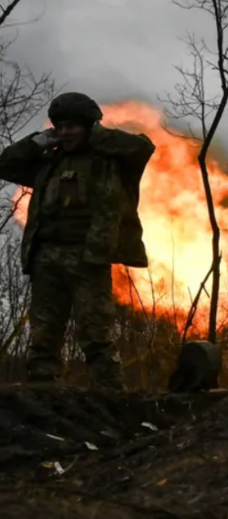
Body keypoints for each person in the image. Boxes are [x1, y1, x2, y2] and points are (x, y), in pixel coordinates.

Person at [0, 92, 155, 389]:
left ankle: (109, 393)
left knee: (95, 330)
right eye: (60, 126)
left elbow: (142, 148)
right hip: (46, 255)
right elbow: (5, 165)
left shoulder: (110, 161)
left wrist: (97, 135)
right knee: (44, 332)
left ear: (88, 126)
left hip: (88, 256)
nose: (65, 132)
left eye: (73, 126)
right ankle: (43, 388)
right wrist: (36, 143)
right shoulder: (50, 162)